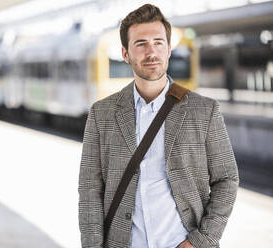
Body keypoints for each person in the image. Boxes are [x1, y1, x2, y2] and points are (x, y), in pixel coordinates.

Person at [78, 3, 239, 248]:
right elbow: (90, 190)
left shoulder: (204, 110)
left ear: (169, 49)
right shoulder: (102, 114)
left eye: (158, 42)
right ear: (125, 54)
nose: (151, 52)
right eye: (141, 44)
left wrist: (202, 240)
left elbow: (227, 179)